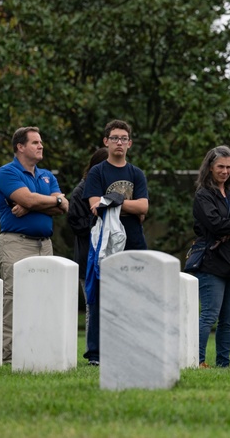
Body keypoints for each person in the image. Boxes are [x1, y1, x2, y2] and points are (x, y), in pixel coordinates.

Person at [0, 126, 69, 363]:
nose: (41, 146)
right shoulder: (7, 172)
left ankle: (39, 353)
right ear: (20, 147)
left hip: (45, 245)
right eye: (35, 142)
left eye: (41, 142)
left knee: (45, 299)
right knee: (14, 298)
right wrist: (48, 200)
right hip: (16, 243)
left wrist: (33, 203)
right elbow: (33, 199)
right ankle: (8, 357)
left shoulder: (47, 175)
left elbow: (63, 207)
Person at [83, 119, 149, 365]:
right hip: (105, 243)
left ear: (129, 143)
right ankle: (96, 354)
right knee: (100, 297)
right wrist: (125, 205)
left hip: (134, 240)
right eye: (114, 138)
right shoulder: (98, 172)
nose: (119, 142)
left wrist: (115, 201)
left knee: (134, 296)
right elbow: (95, 206)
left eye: (123, 138)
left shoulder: (136, 173)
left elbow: (144, 206)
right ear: (106, 142)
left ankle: (130, 347)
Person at [191, 146, 230, 368]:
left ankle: (223, 364)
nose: (225, 171)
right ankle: (197, 360)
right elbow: (215, 225)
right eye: (220, 167)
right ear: (210, 167)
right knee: (209, 315)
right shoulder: (203, 195)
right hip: (212, 262)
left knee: (228, 321)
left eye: (228, 167)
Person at [67, 148, 108, 366]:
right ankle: (94, 354)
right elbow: (76, 224)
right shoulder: (81, 192)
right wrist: (100, 221)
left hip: (107, 258)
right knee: (93, 304)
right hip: (88, 259)